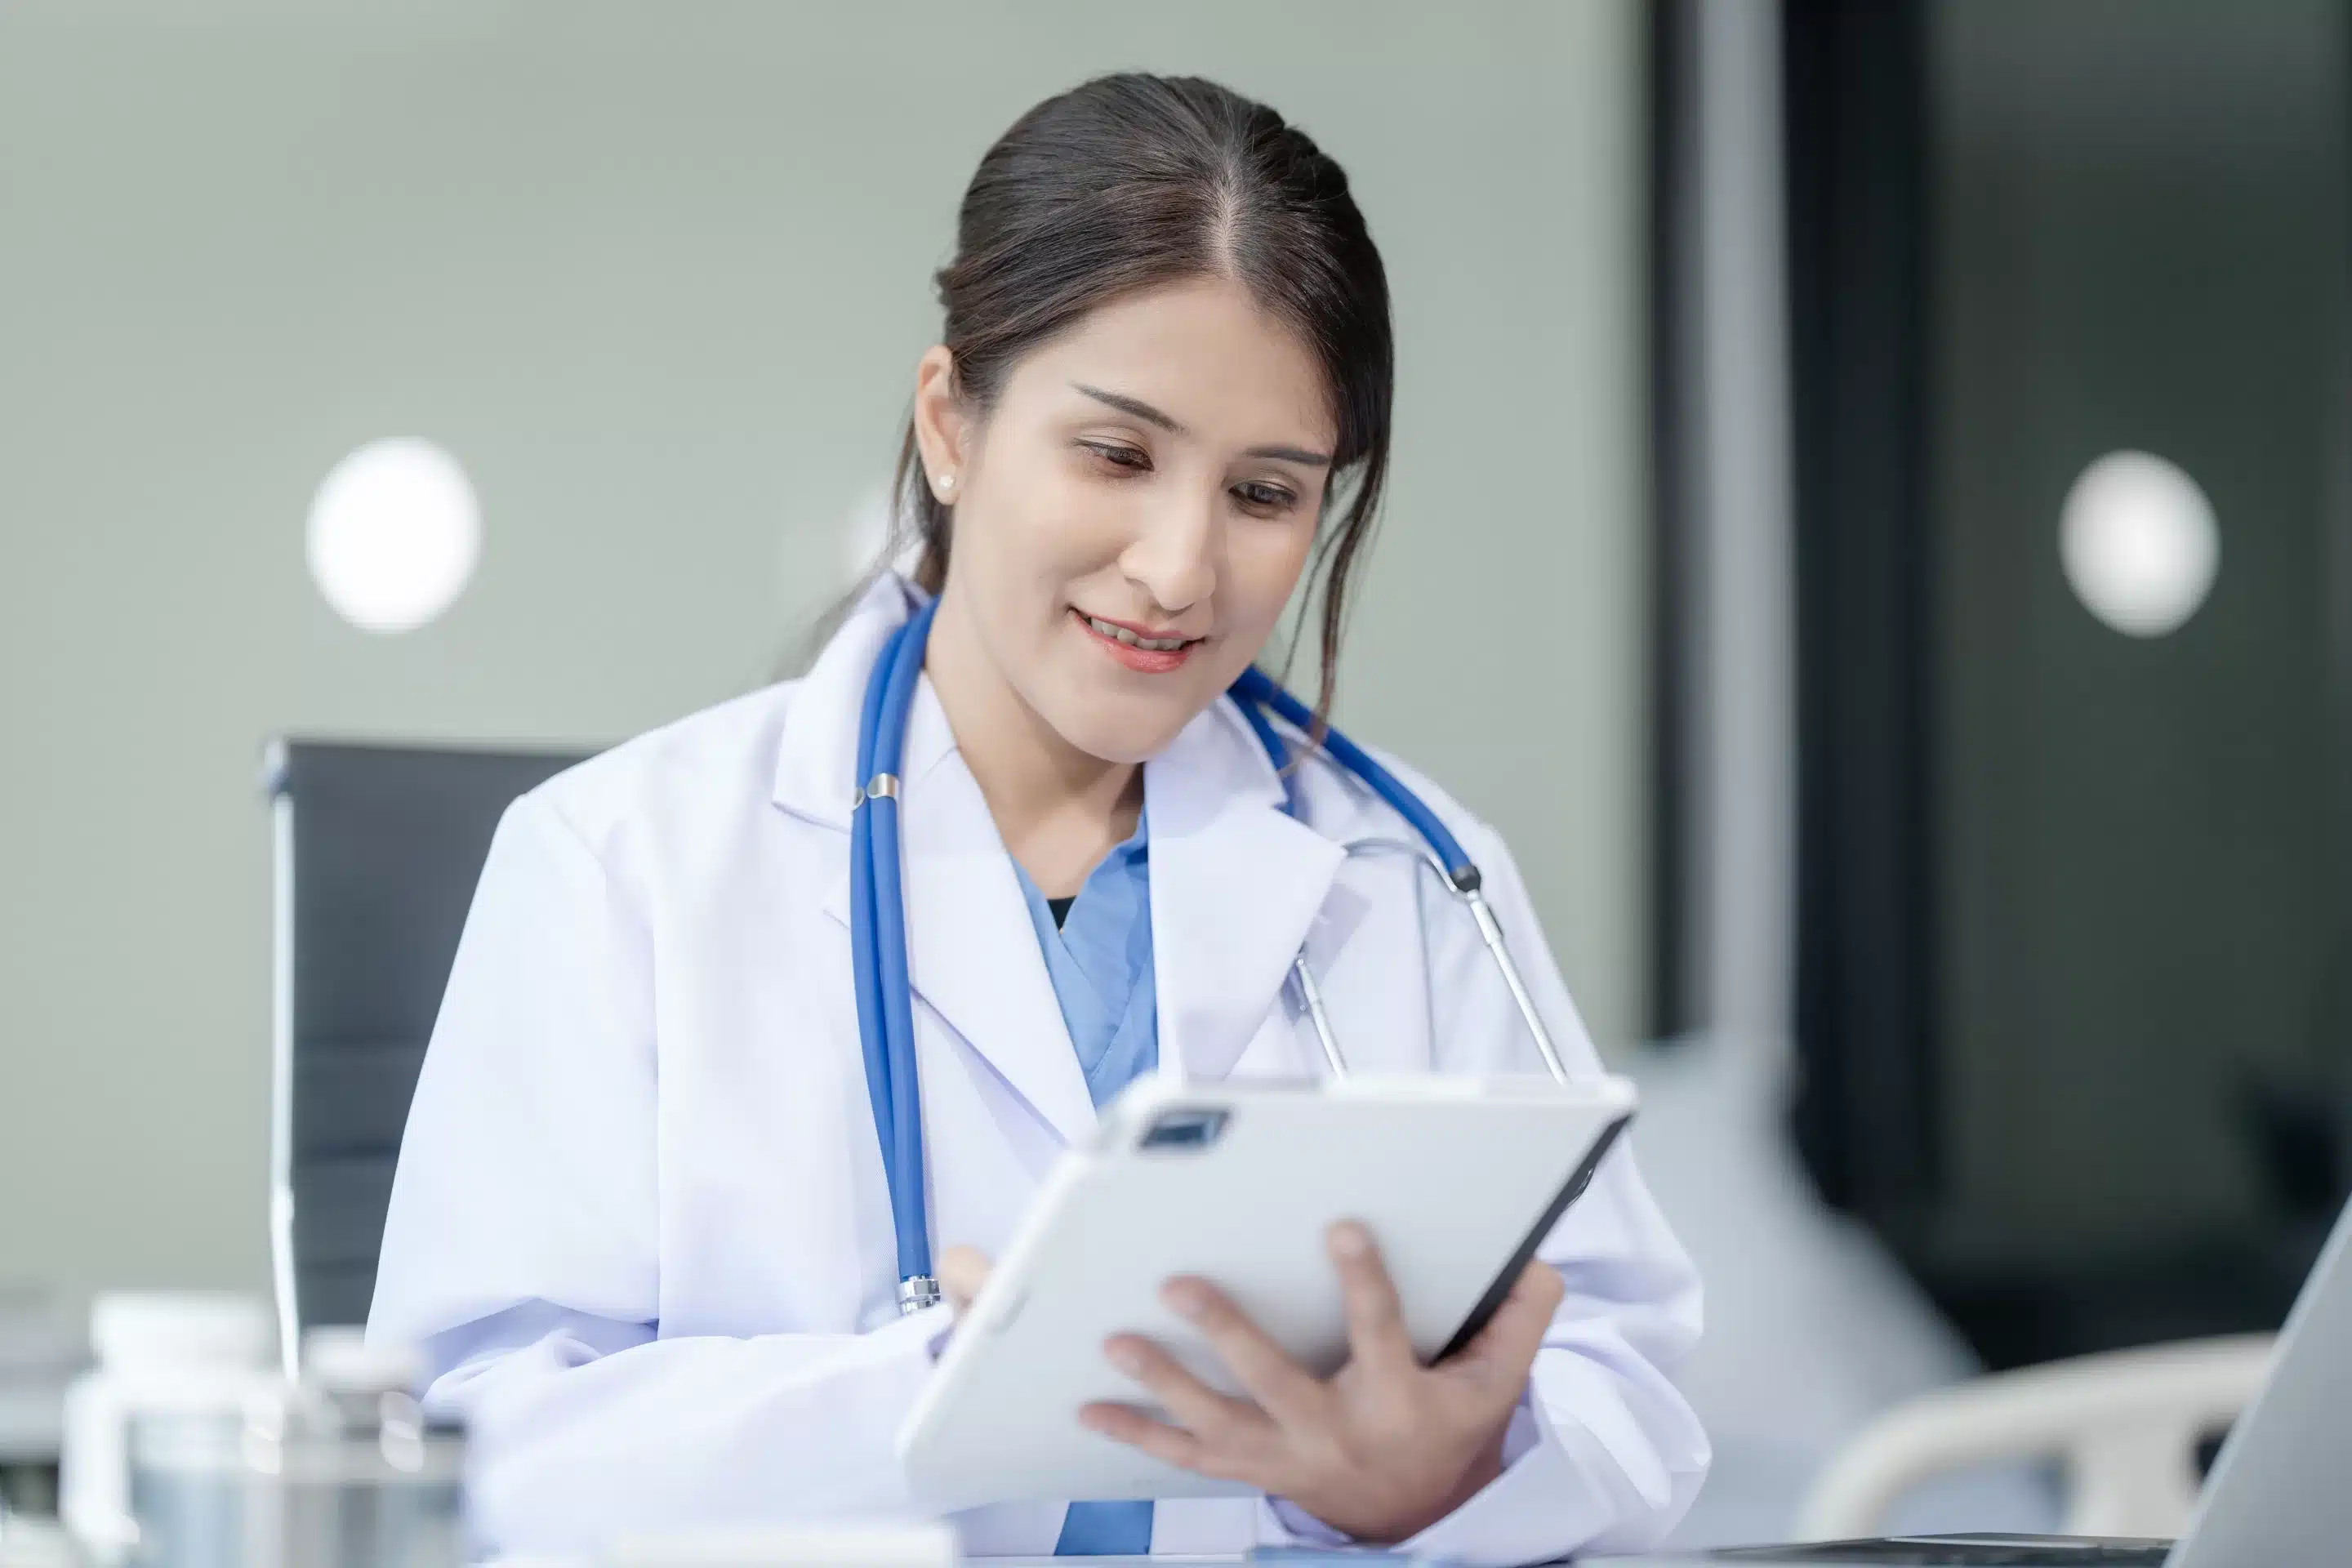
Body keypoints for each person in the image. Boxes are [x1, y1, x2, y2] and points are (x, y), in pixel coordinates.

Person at [368, 72, 1709, 1563]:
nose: (1180, 568)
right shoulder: (625, 866)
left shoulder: (1407, 873)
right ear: (952, 424)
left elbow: (1627, 1379)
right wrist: (952, 1396)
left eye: (1266, 493)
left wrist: (1441, 1480)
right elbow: (465, 1460)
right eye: (1119, 455)